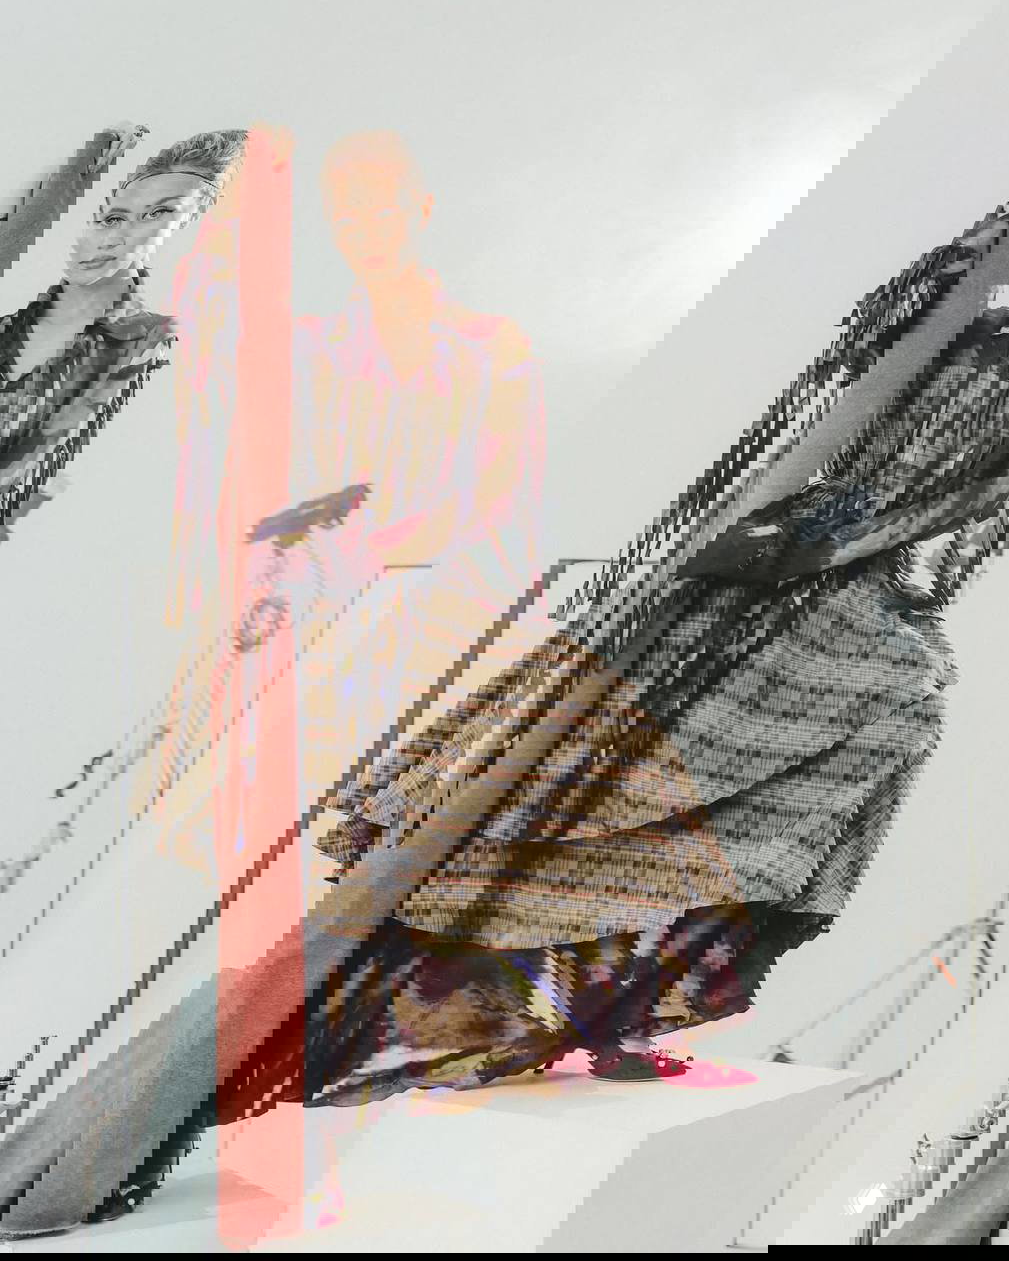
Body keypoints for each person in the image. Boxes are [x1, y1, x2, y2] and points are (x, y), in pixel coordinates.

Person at [3, 195, 1009, 1239]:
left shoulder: (958, 356)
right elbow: (826, 451)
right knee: (428, 890)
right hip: (733, 597)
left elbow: (916, 508)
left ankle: (550, 992)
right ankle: (192, 1104)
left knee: (882, 717)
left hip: (782, 591)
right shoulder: (947, 303)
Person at [0, 129, 247, 530]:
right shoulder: (12, 326)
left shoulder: (149, 350)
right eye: (113, 217)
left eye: (160, 215)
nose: (115, 237)